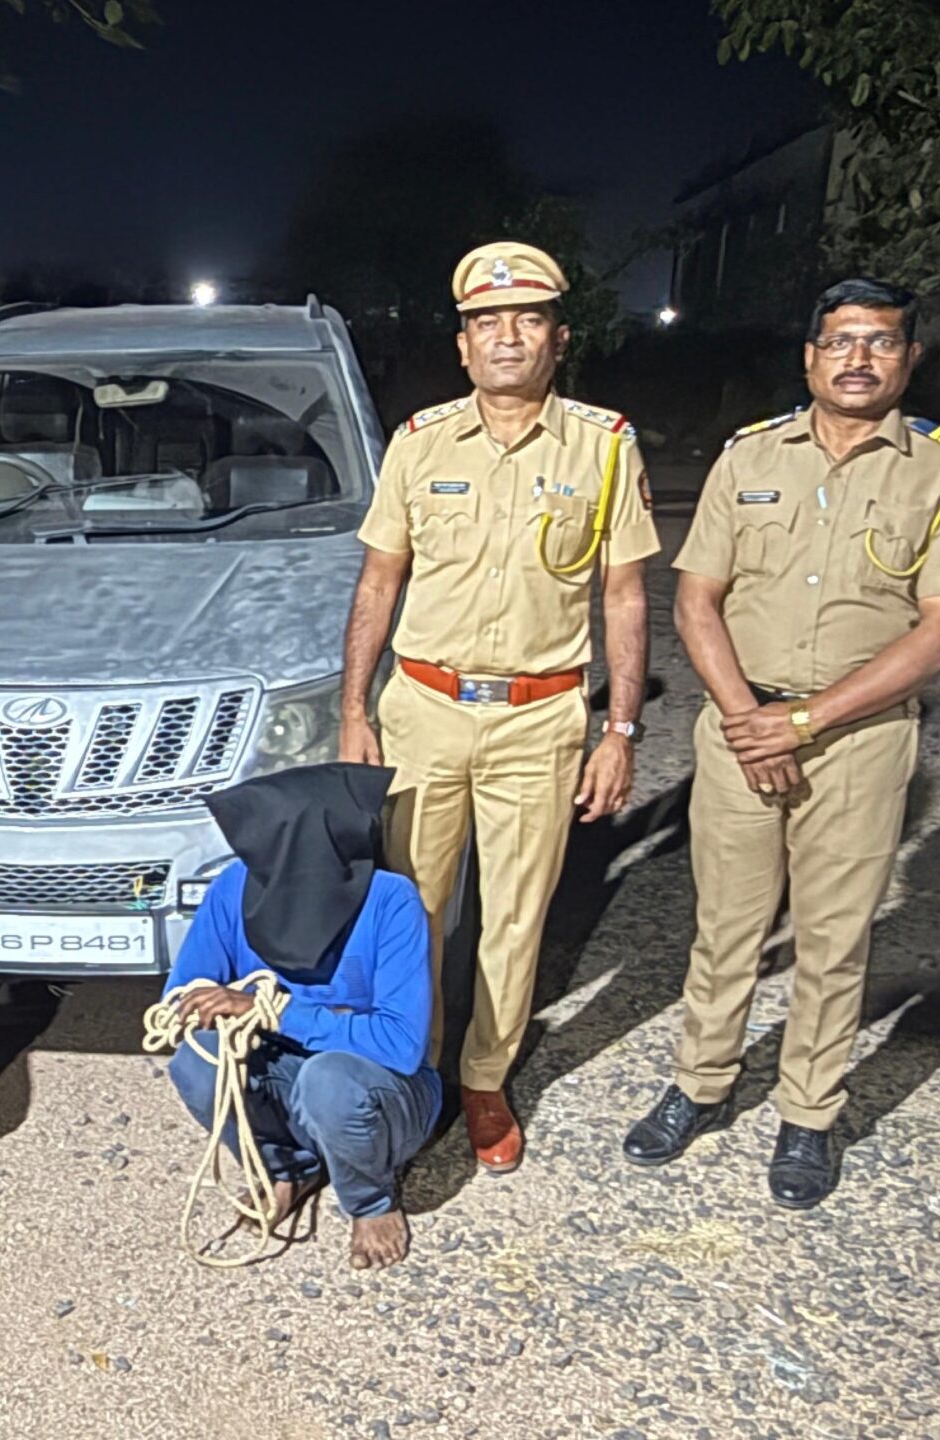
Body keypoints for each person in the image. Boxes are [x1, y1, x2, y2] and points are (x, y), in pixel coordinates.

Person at [622, 278, 940, 1208]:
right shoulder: (748, 456)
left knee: (834, 939)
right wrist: (751, 720)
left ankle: (808, 1114)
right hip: (739, 728)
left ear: (910, 359)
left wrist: (802, 723)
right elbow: (695, 600)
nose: (859, 359)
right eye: (841, 341)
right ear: (810, 357)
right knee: (726, 927)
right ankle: (701, 1083)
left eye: (881, 342)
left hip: (860, 742)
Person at [339, 242, 656, 1175]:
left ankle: (484, 1078)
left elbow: (625, 596)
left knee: (515, 918)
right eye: (486, 322)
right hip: (424, 708)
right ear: (463, 344)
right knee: (411, 910)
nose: (506, 337)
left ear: (559, 338)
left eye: (527, 320)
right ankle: (412, 1070)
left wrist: (621, 729)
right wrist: (355, 709)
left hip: (539, 717)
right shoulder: (419, 442)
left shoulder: (604, 445)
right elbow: (379, 581)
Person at [163, 764, 441, 1270]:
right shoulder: (233, 888)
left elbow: (400, 1046)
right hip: (287, 1076)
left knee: (328, 1079)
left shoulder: (391, 900)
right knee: (196, 1060)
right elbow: (182, 998)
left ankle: (370, 1198)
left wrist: (273, 1011)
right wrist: (209, 1006)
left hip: (377, 1091)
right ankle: (286, 1169)